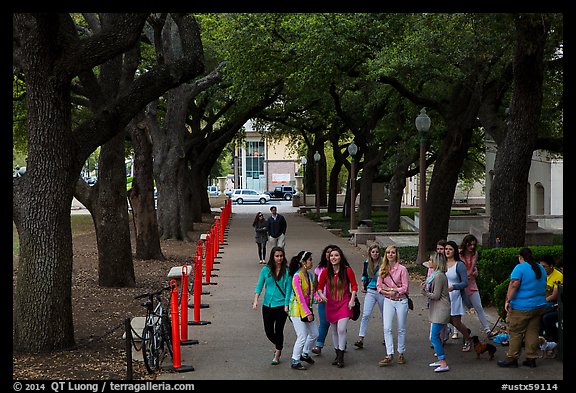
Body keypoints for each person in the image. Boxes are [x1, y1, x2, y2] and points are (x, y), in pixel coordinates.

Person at [498, 247, 547, 368]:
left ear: (520, 257)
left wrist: (507, 300)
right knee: (532, 332)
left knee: (515, 332)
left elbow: (514, 284)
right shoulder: (540, 268)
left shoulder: (519, 268)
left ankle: (512, 358)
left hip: (522, 306)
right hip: (539, 305)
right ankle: (531, 358)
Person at [316, 245, 358, 368]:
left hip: (344, 302)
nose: (334, 258)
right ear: (328, 258)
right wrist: (321, 295)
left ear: (340, 257)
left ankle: (341, 356)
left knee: (341, 329)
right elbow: (319, 286)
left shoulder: (347, 270)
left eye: (336, 255)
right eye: (331, 256)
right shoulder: (325, 272)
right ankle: (337, 353)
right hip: (330, 304)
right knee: (334, 329)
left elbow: (354, 286)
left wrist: (351, 300)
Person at [252, 247, 291, 365]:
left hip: (281, 305)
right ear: (272, 257)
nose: (279, 258)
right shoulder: (265, 270)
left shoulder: (287, 272)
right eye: (277, 256)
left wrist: (286, 305)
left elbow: (288, 289)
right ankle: (279, 344)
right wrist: (255, 300)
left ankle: (277, 353)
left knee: (278, 330)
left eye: (281, 256)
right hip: (267, 305)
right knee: (269, 331)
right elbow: (260, 285)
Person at [377, 245, 410, 366]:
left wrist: (391, 289)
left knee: (401, 328)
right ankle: (389, 353)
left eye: (393, 252)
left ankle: (401, 352)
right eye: (388, 252)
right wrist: (388, 291)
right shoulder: (383, 269)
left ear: (396, 254)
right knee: (387, 327)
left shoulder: (402, 269)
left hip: (401, 301)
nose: (390, 254)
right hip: (388, 300)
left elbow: (405, 287)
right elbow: (379, 287)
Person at [287, 251, 319, 370]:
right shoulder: (297, 277)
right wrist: (308, 313)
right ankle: (295, 360)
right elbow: (300, 297)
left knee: (314, 333)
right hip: (296, 310)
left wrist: (318, 299)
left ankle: (305, 353)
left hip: (306, 308)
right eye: (310, 260)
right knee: (302, 335)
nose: (312, 262)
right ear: (303, 262)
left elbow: (310, 294)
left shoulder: (309, 275)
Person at [459, 234, 494, 338]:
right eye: (470, 245)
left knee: (478, 306)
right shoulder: (459, 254)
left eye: (474, 245)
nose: (472, 247)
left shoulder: (475, 254)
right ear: (465, 244)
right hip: (461, 283)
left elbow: (474, 266)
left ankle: (487, 330)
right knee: (458, 308)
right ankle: (456, 331)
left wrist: (475, 271)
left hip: (471, 283)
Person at [421, 251, 451, 373]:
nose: (429, 262)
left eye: (431, 260)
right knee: (435, 336)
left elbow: (436, 295)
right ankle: (440, 360)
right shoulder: (437, 275)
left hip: (441, 309)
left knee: (433, 337)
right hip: (439, 309)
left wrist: (425, 293)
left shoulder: (438, 276)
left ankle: (443, 362)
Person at [354, 243, 385, 349]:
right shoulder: (367, 263)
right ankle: (361, 338)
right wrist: (363, 285)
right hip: (370, 291)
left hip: (382, 291)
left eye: (376, 252)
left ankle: (386, 337)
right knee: (366, 314)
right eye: (373, 252)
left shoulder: (383, 263)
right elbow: (364, 275)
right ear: (370, 253)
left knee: (384, 315)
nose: (375, 254)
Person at [444, 240, 473, 352]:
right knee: (444, 319)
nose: (447, 251)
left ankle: (467, 338)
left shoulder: (459, 265)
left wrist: (453, 287)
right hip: (443, 296)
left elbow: (465, 282)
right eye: (446, 249)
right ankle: (440, 343)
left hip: (455, 296)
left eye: (450, 249)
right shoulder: (442, 264)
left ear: (454, 251)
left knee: (456, 322)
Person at [311, 244, 337, 355]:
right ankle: (319, 345)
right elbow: (315, 285)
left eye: (332, 253)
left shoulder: (340, 268)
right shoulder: (319, 269)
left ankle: (341, 344)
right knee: (324, 323)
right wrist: (316, 296)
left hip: (337, 300)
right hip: (323, 300)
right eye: (327, 252)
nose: (330, 255)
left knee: (338, 323)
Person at [538, 255, 563, 342]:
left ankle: (543, 338)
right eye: (540, 266)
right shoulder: (541, 274)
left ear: (551, 266)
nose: (542, 268)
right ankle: (541, 338)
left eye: (544, 266)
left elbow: (554, 295)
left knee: (539, 312)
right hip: (542, 300)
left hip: (552, 302)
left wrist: (541, 302)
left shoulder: (558, 276)